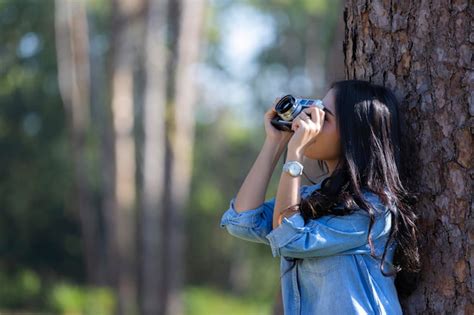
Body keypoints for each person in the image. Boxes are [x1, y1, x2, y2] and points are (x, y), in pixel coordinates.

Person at [219, 79, 421, 314]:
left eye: (324, 117)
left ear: (353, 134)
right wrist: (275, 142)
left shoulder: (374, 209)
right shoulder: (312, 199)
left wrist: (296, 153)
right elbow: (243, 222)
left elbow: (289, 240)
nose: (309, 123)